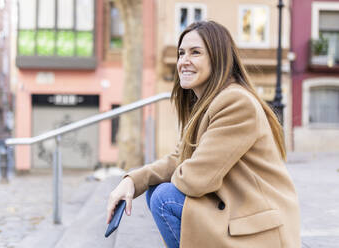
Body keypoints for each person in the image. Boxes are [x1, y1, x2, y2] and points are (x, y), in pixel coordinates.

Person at [106, 21, 301, 248]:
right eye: (181, 53)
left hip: (260, 228)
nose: (184, 61)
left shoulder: (236, 102)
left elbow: (196, 180)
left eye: (195, 52)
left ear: (217, 58)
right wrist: (133, 180)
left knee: (164, 197)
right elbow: (179, 159)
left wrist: (178, 170)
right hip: (238, 212)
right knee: (157, 191)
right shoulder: (207, 103)